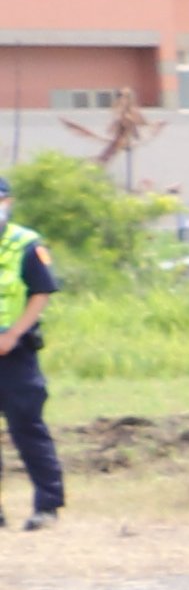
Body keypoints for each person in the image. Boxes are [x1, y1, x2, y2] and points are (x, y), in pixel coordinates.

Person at [0, 205, 61, 528]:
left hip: (13, 353)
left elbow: (41, 292)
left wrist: (12, 334)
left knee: (27, 429)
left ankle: (47, 507)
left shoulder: (25, 243)